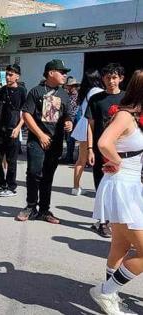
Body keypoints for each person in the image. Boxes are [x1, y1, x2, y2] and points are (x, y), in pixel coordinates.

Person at [89, 69, 143, 315]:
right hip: (122, 185)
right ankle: (106, 291)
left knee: (120, 245)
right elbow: (103, 142)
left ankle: (109, 295)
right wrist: (117, 161)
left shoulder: (136, 115)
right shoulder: (125, 116)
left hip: (130, 185)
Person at [16, 59, 73, 224]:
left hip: (55, 143)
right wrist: (40, 135)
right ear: (50, 72)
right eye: (61, 72)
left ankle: (44, 210)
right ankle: (30, 207)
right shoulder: (36, 91)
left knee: (48, 176)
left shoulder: (64, 94)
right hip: (37, 141)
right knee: (34, 173)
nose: (65, 75)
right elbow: (26, 114)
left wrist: (69, 122)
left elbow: (67, 115)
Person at [86, 63, 125, 238]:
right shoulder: (96, 99)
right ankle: (102, 222)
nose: (111, 81)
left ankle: (116, 221)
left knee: (120, 188)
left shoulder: (127, 99)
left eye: (114, 77)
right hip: (101, 151)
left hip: (123, 151)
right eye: (108, 77)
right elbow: (91, 125)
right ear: (103, 79)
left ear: (121, 79)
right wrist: (89, 149)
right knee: (102, 187)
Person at [0, 64, 26, 197]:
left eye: (11, 74)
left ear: (17, 76)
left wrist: (18, 128)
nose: (8, 77)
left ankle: (11, 187)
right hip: (0, 129)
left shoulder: (22, 91)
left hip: (13, 128)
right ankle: (1, 183)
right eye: (7, 74)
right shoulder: (2, 90)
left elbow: (25, 112)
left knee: (11, 160)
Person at [70, 69, 104, 196]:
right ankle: (100, 188)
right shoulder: (98, 92)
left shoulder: (85, 92)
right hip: (94, 126)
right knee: (100, 159)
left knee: (81, 159)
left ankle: (76, 187)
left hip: (83, 126)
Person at [60, 76, 80, 164]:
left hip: (72, 118)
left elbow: (72, 109)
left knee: (70, 139)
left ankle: (69, 157)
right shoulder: (72, 95)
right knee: (69, 139)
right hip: (72, 118)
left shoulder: (74, 96)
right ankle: (69, 156)